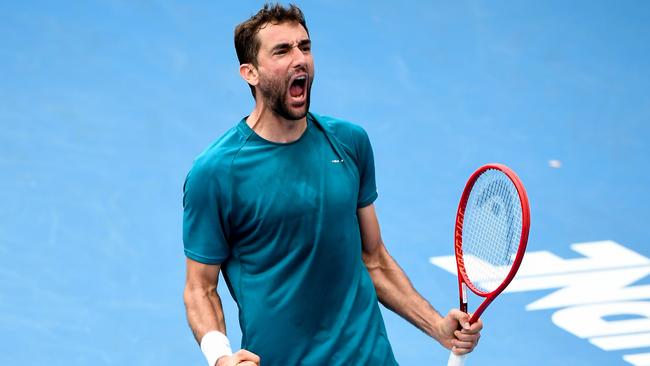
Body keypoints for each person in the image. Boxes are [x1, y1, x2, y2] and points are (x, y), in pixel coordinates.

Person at [182, 4, 482, 366]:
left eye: (304, 47)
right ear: (251, 73)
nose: (300, 60)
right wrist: (221, 357)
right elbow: (201, 288)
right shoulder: (216, 172)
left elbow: (374, 260)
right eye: (282, 51)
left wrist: (436, 325)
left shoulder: (349, 142)